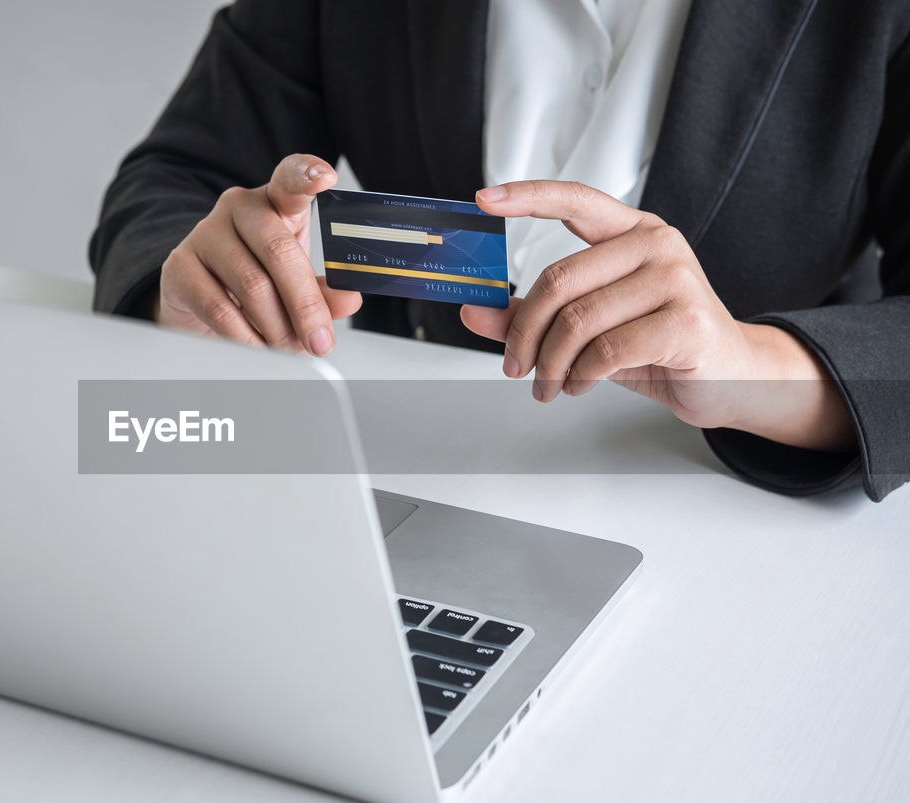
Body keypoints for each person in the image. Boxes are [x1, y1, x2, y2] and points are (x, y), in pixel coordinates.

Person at [90, 0, 910, 501]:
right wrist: (196, 287)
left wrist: (745, 365)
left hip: (747, 515)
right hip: (408, 483)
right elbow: (175, 177)